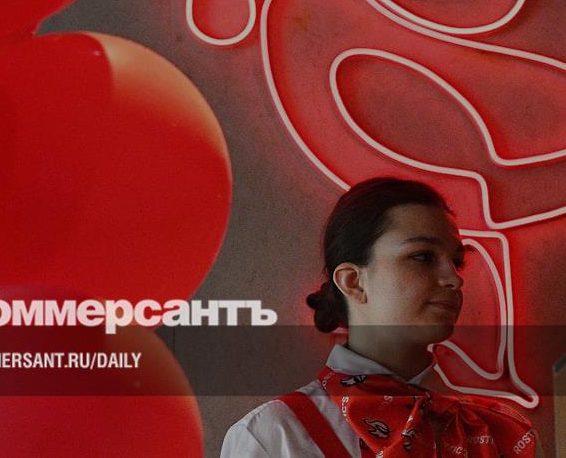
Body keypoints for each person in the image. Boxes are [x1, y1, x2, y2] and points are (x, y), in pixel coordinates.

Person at [220, 177, 541, 457]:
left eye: (457, 262)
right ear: (353, 282)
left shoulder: (503, 434)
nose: (453, 279)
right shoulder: (276, 436)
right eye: (422, 257)